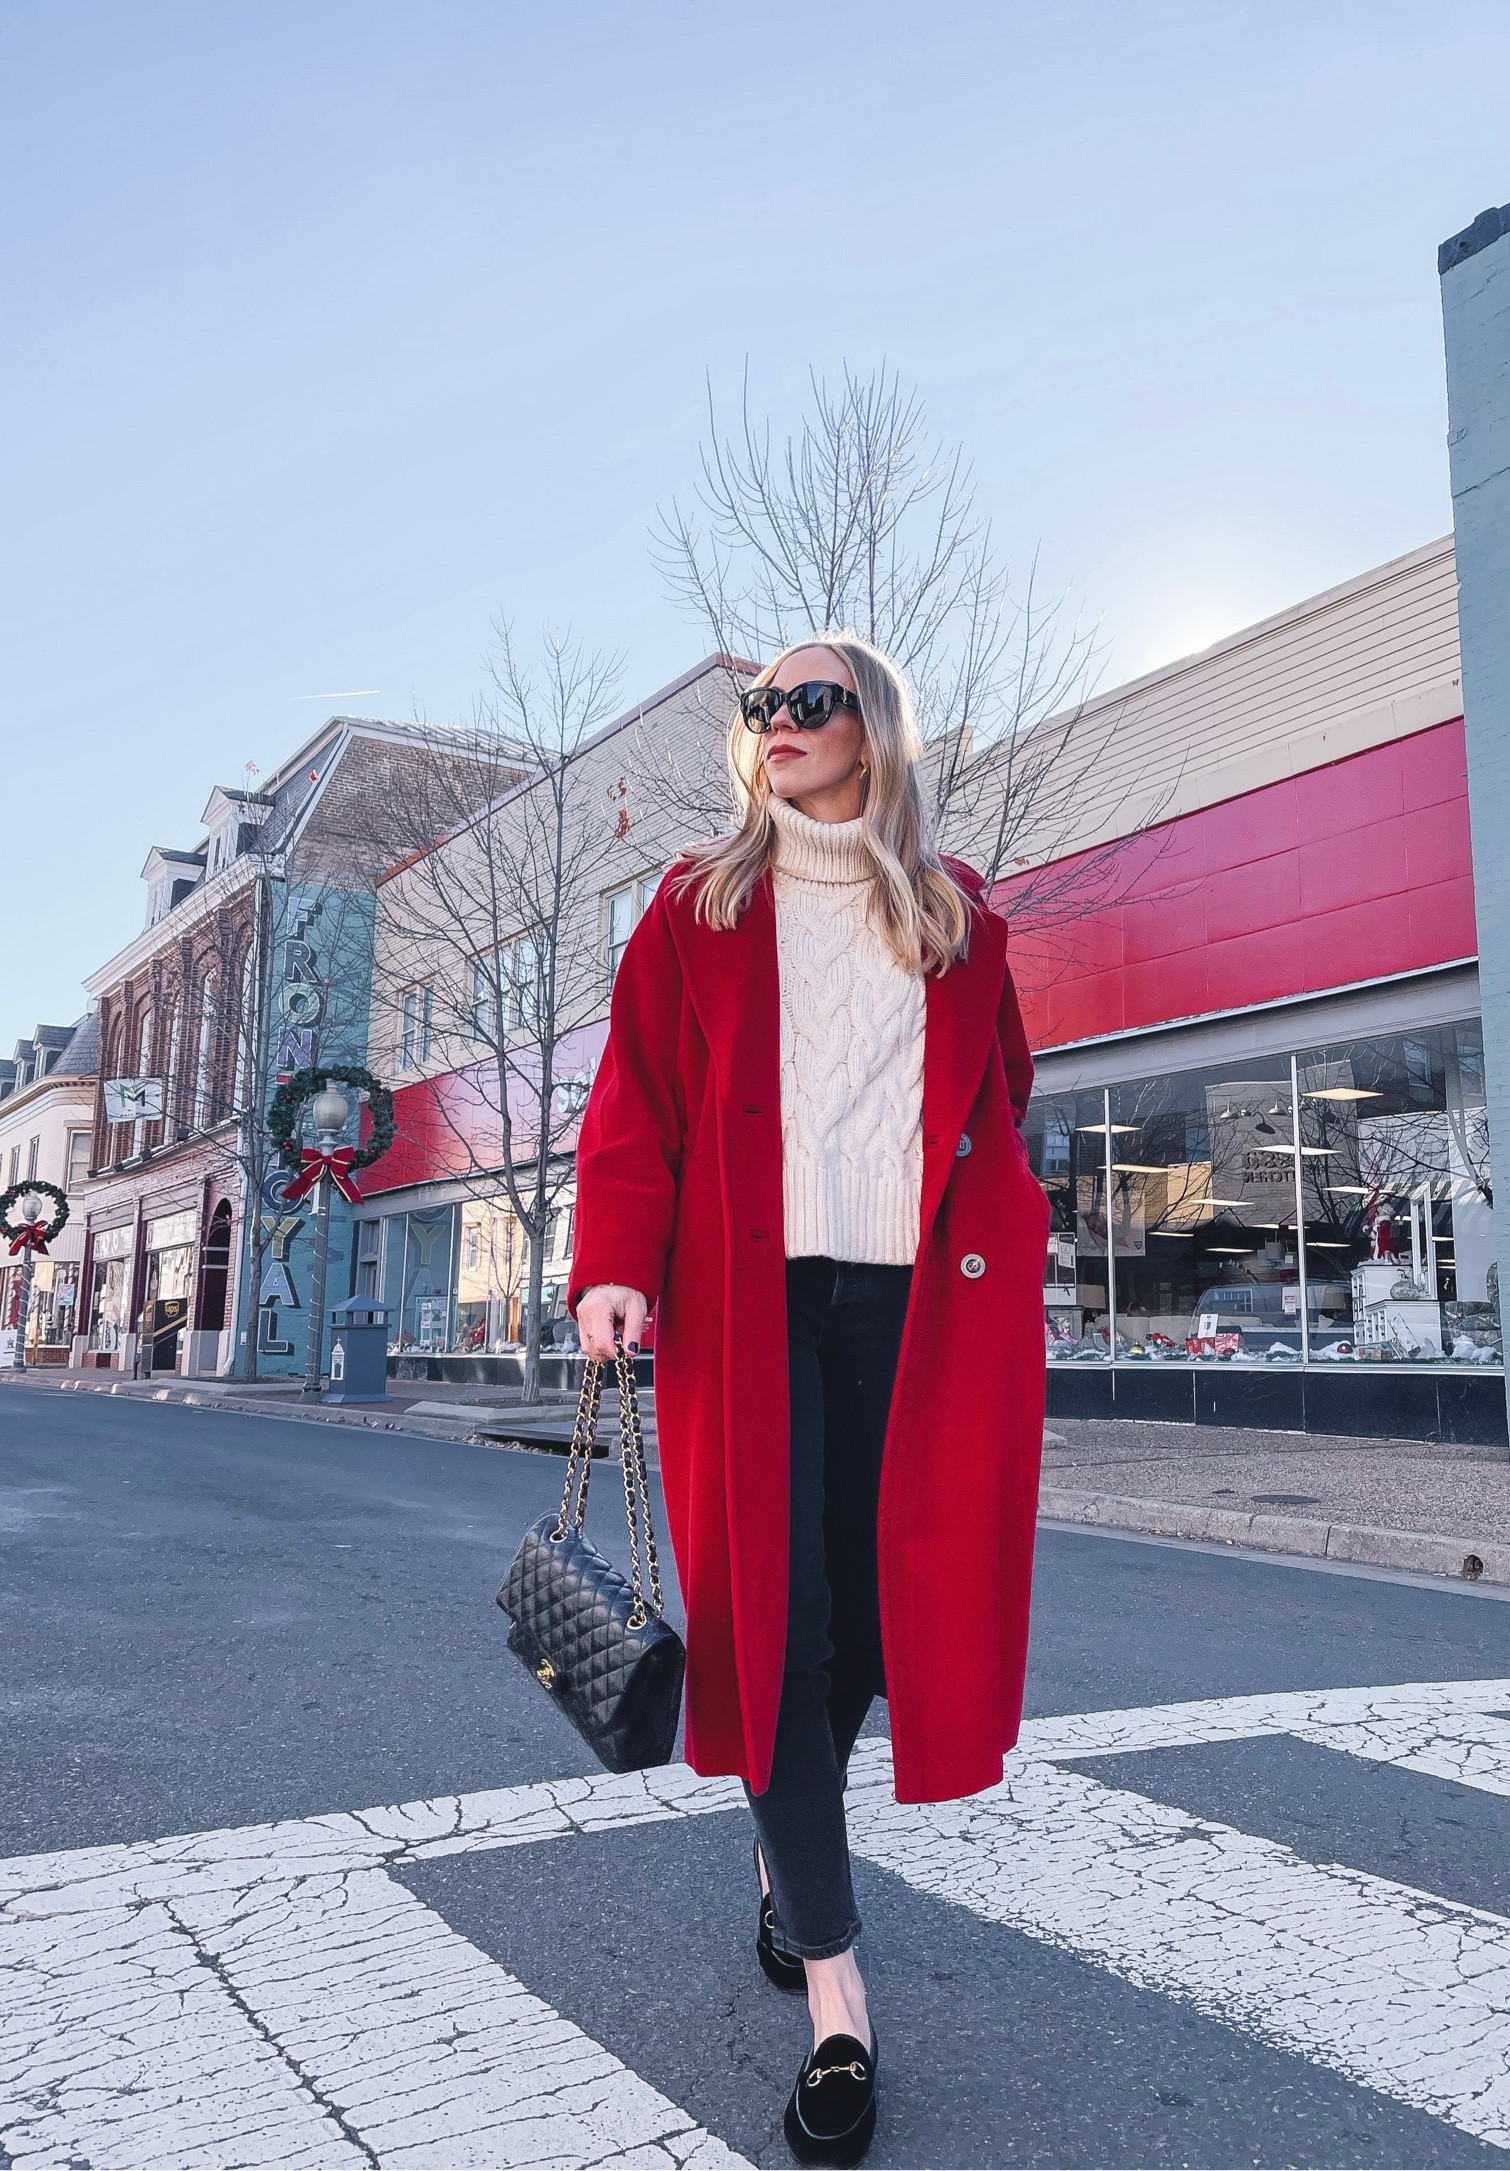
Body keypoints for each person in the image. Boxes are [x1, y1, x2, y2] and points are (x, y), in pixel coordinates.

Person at [570, 634, 1049, 2166]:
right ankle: (836, 1998)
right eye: (760, 705)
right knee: (771, 1625)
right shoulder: (696, 904)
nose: (777, 722)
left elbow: (1002, 1095)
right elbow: (632, 1097)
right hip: (744, 1301)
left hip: (907, 1311)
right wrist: (611, 1264)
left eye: (810, 699)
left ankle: (789, 1872)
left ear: (873, 726)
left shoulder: (958, 919)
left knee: (862, 1619)